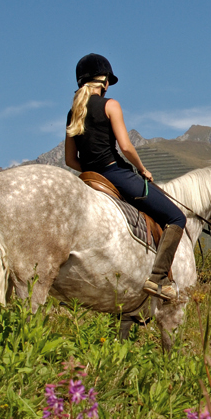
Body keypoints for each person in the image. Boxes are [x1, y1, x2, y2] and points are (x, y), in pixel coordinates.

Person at [64, 53, 187, 302]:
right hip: (115, 174)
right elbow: (127, 147)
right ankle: (158, 278)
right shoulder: (110, 105)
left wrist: (89, 169)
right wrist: (142, 170)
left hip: (89, 177)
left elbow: (69, 160)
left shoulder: (73, 112)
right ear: (105, 81)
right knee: (177, 217)